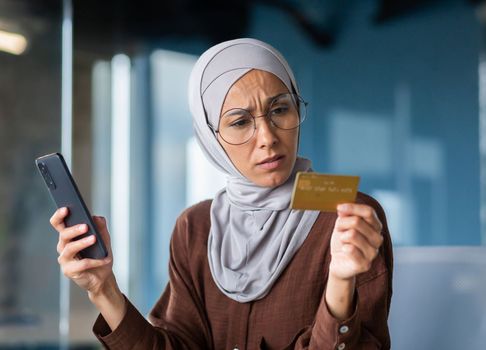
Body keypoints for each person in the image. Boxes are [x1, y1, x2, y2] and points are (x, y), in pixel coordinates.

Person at [50, 38, 393, 349]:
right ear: (211, 138)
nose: (268, 137)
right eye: (240, 122)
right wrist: (102, 288)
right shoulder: (196, 227)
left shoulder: (349, 216)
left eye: (280, 109)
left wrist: (340, 283)